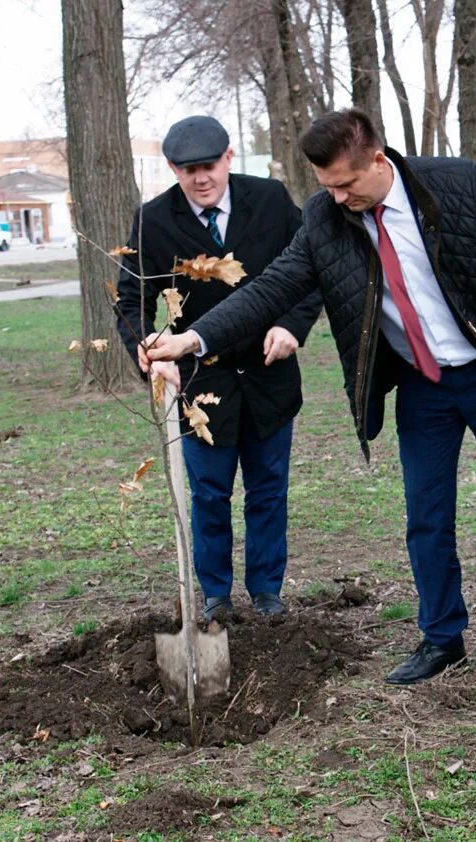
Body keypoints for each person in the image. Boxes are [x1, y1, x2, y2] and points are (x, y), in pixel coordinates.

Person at [141, 109, 476, 687]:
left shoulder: (456, 183)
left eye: (347, 184)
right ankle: (442, 636)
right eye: (327, 187)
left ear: (379, 161)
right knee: (426, 519)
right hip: (423, 386)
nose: (338, 197)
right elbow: (272, 289)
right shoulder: (323, 218)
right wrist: (193, 338)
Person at [116, 115, 322, 620]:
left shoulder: (271, 201)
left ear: (229, 158)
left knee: (268, 490)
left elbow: (314, 267)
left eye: (209, 165)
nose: (200, 178)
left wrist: (293, 325)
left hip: (268, 373)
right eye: (188, 170)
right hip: (198, 384)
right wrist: (149, 349)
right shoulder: (153, 220)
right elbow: (129, 299)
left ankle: (267, 590)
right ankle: (214, 596)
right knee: (209, 493)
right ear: (172, 169)